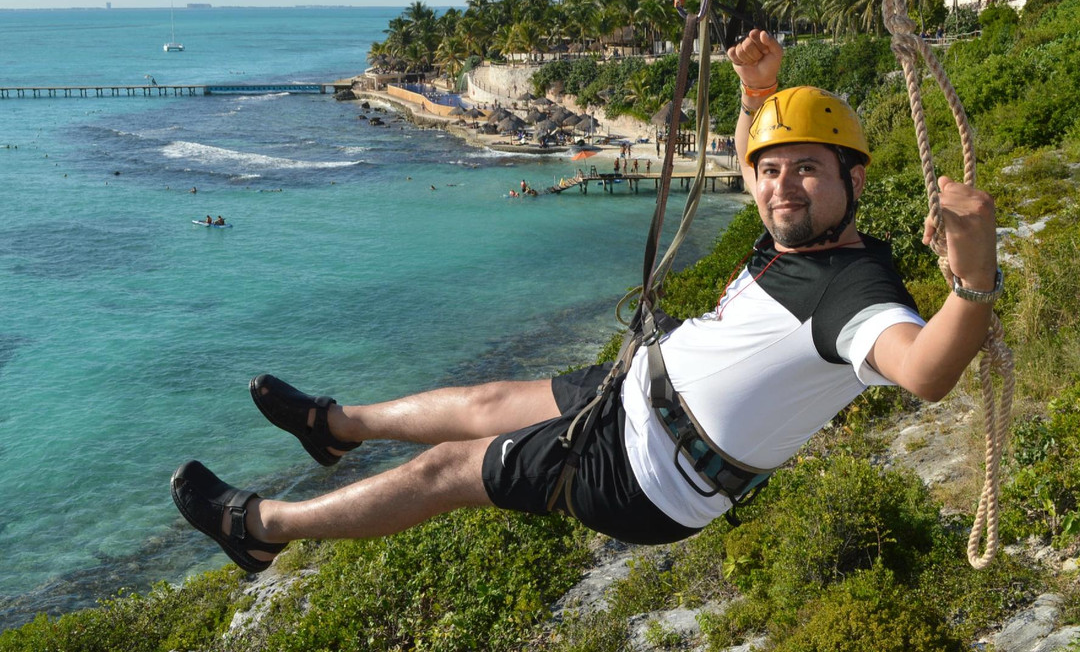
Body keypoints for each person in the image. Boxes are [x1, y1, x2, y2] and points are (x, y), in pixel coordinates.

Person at [171, 29, 1000, 573]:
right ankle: (332, 427)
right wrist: (760, 90)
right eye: (771, 170)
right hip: (641, 389)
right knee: (485, 398)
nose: (781, 185)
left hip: (647, 474)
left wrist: (972, 276)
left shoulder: (853, 291)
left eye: (807, 169)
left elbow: (924, 370)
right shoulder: (797, 234)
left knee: (448, 469)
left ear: (853, 180)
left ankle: (258, 529)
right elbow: (758, 156)